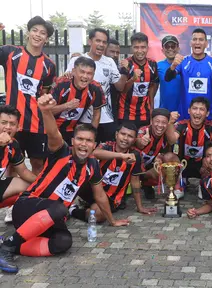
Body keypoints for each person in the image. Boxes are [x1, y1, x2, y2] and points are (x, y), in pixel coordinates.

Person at [0, 94, 129, 274]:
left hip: (50, 217)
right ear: (73, 141)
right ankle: (6, 248)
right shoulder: (61, 152)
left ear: (94, 145)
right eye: (80, 139)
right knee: (60, 208)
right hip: (28, 207)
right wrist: (46, 111)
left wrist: (112, 221)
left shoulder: (92, 165)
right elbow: (53, 133)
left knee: (63, 242)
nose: (84, 144)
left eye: (89, 140)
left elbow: (100, 195)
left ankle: (13, 246)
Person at [0, 17, 56, 175]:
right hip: (12, 121)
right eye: (35, 30)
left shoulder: (49, 65)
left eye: (43, 33)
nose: (38, 35)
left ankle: (35, 198)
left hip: (36, 123)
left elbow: (44, 92)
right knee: (11, 164)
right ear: (28, 33)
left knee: (38, 164)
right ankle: (12, 199)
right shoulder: (10, 53)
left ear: (46, 38)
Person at [69, 122, 157, 222]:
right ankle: (68, 204)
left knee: (98, 216)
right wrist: (120, 155)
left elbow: (135, 181)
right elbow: (95, 152)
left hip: (112, 198)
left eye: (130, 136)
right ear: (116, 135)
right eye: (123, 134)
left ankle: (73, 210)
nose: (125, 138)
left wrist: (140, 207)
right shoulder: (107, 146)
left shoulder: (135, 155)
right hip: (93, 190)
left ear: (134, 140)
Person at [66, 28, 129, 142]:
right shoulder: (77, 60)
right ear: (90, 41)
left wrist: (124, 71)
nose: (101, 45)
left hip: (106, 118)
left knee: (106, 151)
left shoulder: (109, 62)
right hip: (82, 117)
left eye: (104, 42)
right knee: (85, 150)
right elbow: (66, 82)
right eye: (98, 41)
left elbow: (120, 87)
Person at [165, 28, 212, 120]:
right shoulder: (183, 61)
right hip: (185, 114)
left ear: (206, 44)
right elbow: (167, 78)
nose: (197, 42)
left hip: (207, 115)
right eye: (194, 39)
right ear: (190, 43)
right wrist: (173, 66)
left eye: (201, 40)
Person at [166, 97, 212, 196]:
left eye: (202, 109)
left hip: (202, 167)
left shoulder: (211, 128)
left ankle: (203, 184)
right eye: (195, 108)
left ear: (207, 113)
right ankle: (180, 184)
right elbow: (171, 140)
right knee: (168, 156)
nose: (198, 112)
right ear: (189, 111)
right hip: (183, 164)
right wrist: (170, 122)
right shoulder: (182, 125)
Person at [51, 57, 106, 145]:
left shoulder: (96, 88)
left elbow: (97, 114)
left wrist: (91, 136)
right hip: (50, 129)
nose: (85, 76)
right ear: (73, 71)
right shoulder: (61, 83)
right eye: (82, 72)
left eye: (89, 73)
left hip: (72, 132)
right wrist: (66, 105)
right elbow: (47, 111)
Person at [0, 105, 37, 223]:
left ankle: (16, 211)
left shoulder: (13, 144)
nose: (7, 127)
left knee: (30, 185)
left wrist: (44, 183)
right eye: (3, 122)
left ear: (18, 127)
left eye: (12, 124)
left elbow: (24, 172)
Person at [119, 32, 159, 129]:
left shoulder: (152, 64)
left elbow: (152, 88)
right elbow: (121, 90)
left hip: (144, 113)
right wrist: (133, 79)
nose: (140, 50)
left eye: (143, 47)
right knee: (126, 142)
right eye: (136, 47)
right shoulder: (126, 64)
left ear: (147, 48)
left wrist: (151, 109)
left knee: (143, 141)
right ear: (131, 48)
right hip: (126, 113)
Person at [135, 108, 172, 199]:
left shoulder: (167, 137)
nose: (160, 125)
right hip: (136, 163)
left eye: (164, 122)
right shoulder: (144, 130)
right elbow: (138, 141)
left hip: (149, 164)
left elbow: (167, 153)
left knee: (162, 168)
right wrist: (141, 141)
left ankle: (146, 184)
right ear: (151, 121)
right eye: (157, 121)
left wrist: (160, 158)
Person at [157, 35, 182, 112]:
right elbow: (152, 88)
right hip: (164, 112)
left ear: (178, 48)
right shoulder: (158, 65)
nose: (170, 49)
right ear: (163, 50)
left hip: (183, 111)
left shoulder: (186, 64)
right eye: (167, 46)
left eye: (173, 46)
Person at [105, 38, 121, 120]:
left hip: (115, 110)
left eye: (117, 52)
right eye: (112, 51)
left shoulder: (121, 68)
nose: (115, 55)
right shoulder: (95, 66)